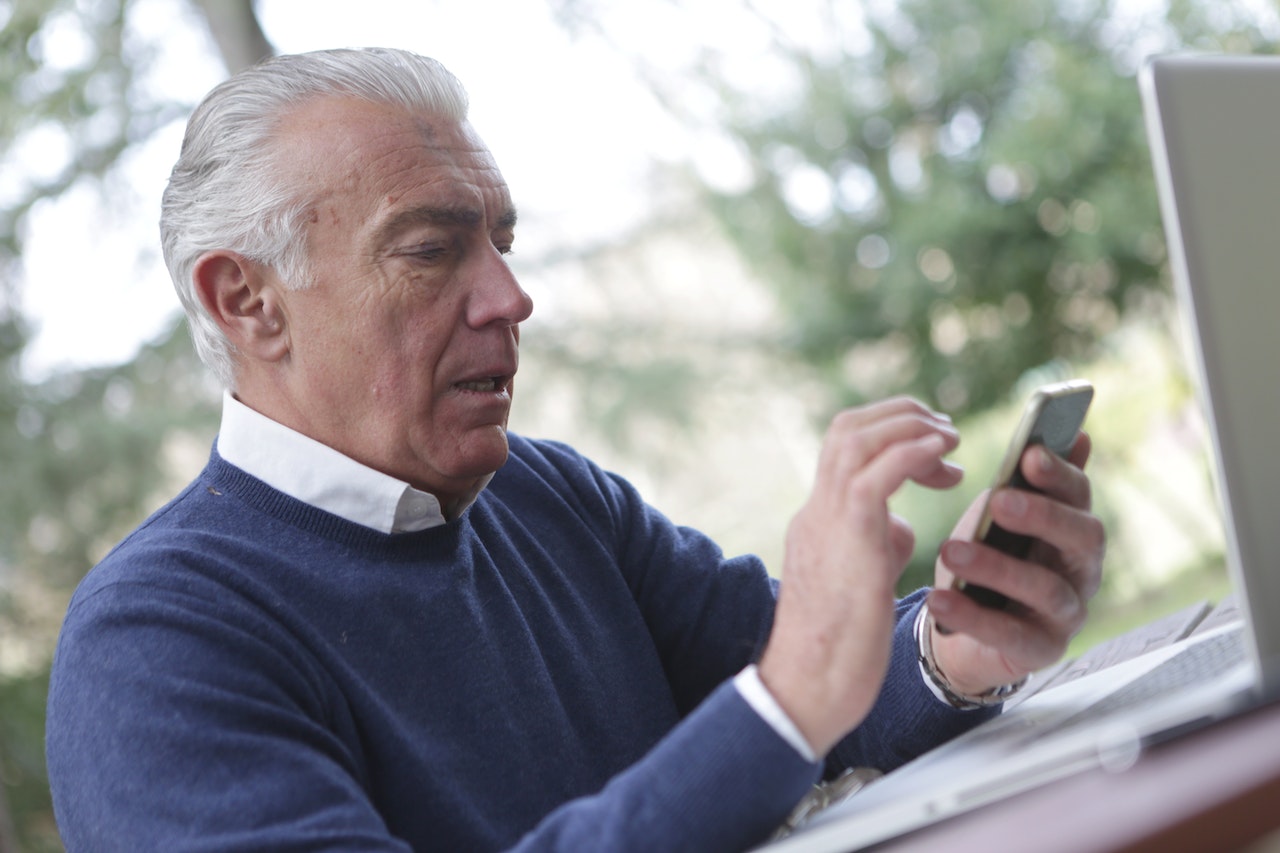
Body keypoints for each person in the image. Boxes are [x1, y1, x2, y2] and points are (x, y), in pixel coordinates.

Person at [44, 48, 1104, 852]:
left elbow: (808, 690)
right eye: (429, 251)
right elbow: (782, 704)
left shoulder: (546, 492)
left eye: (500, 242)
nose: (510, 299)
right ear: (247, 302)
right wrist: (788, 698)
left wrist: (957, 646)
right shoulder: (153, 646)